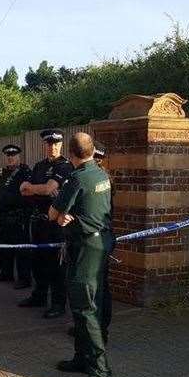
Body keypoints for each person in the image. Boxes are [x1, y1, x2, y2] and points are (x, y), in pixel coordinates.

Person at [49, 132, 114, 377]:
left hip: (86, 248)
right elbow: (93, 208)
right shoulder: (101, 174)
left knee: (86, 309)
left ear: (72, 154)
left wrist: (64, 215)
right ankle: (81, 358)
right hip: (100, 243)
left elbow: (52, 213)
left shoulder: (76, 178)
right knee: (80, 304)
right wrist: (73, 217)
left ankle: (100, 373)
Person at [18, 129, 73, 319]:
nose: (53, 147)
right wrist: (37, 190)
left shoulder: (65, 166)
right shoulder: (40, 166)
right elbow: (26, 192)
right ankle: (39, 296)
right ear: (45, 145)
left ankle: (58, 304)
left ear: (61, 144)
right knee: (38, 261)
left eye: (56, 144)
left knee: (56, 265)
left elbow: (49, 188)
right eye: (50, 144)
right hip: (39, 220)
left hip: (56, 223)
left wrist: (33, 188)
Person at [67, 140, 113, 341]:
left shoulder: (88, 178)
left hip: (91, 242)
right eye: (97, 158)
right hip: (100, 239)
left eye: (100, 159)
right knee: (95, 292)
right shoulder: (102, 177)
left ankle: (98, 334)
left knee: (90, 298)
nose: (98, 162)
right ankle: (87, 339)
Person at [0, 144, 32, 289]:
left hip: (18, 217)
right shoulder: (3, 173)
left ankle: (24, 278)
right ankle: (6, 272)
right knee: (3, 246)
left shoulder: (25, 173)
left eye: (13, 155)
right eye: (8, 156)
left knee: (21, 249)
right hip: (4, 217)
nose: (10, 158)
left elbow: (26, 195)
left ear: (18, 156)